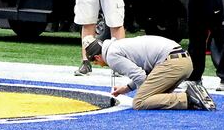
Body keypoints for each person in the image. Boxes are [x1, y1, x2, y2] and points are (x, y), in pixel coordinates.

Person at [83, 34, 215, 111]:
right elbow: (145, 72)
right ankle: (192, 95)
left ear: (97, 57)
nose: (99, 65)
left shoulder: (111, 56)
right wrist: (127, 88)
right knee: (155, 98)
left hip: (172, 64)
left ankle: (189, 98)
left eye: (96, 63)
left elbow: (141, 77)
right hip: (183, 61)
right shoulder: (118, 46)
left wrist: (143, 93)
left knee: (140, 102)